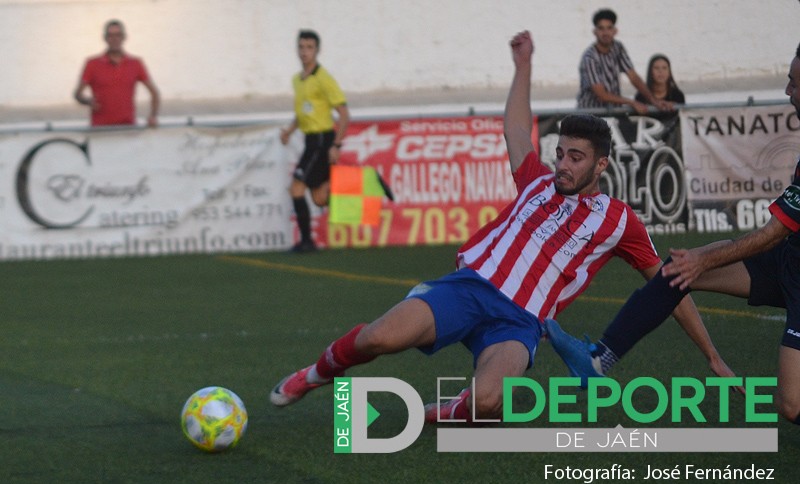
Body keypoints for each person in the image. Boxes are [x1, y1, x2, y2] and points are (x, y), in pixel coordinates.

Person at [270, 31, 734, 423]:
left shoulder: (619, 221)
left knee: (490, 403)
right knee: (378, 337)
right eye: (561, 154)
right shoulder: (536, 179)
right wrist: (523, 65)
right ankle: (313, 376)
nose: (563, 165)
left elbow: (669, 287)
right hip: (469, 287)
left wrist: (712, 355)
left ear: (601, 165)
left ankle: (454, 409)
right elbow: (515, 129)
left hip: (521, 322)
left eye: (576, 158)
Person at [546, 42, 800, 425]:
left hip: (788, 257)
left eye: (794, 83)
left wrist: (706, 259)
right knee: (677, 270)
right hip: (789, 260)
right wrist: (700, 265)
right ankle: (599, 360)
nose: (787, 92)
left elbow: (774, 232)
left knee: (791, 404)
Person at [280, 29, 350, 253]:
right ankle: (352, 194)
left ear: (317, 50)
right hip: (311, 141)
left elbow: (344, 114)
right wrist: (290, 130)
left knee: (296, 188)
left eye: (309, 47)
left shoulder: (323, 78)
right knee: (319, 198)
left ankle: (306, 242)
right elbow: (303, 113)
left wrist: (336, 145)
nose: (304, 52)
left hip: (322, 140)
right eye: (301, 47)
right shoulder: (297, 80)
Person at [577, 8, 672, 115]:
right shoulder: (589, 58)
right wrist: (631, 102)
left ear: (615, 31)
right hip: (590, 115)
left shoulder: (618, 48)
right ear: (595, 32)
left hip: (613, 113)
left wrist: (653, 101)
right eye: (601, 28)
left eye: (609, 28)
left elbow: (633, 77)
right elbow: (601, 94)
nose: (605, 33)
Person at [73, 20, 160, 127]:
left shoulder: (136, 63)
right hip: (100, 131)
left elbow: (154, 93)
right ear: (105, 38)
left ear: (124, 37)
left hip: (128, 129)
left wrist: (153, 116)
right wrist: (87, 101)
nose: (114, 39)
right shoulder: (92, 64)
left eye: (118, 35)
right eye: (110, 35)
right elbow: (77, 94)